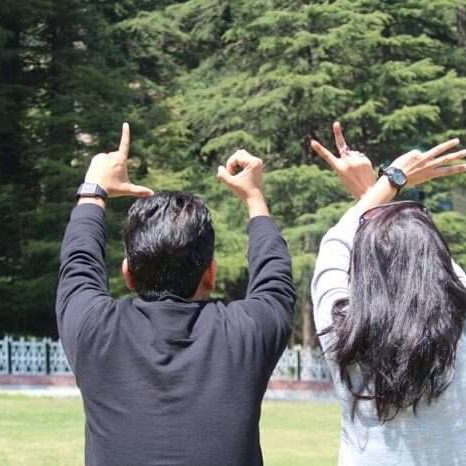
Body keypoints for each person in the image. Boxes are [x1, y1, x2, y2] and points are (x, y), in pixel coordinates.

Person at [56, 123, 296, 465]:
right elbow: (275, 278)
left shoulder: (93, 330)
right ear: (210, 274)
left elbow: (78, 261)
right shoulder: (248, 333)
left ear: (128, 274)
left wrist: (93, 191)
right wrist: (255, 197)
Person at [311, 122, 466, 465]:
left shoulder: (343, 337)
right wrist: (382, 186)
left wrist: (388, 182)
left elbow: (335, 242)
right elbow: (442, 269)